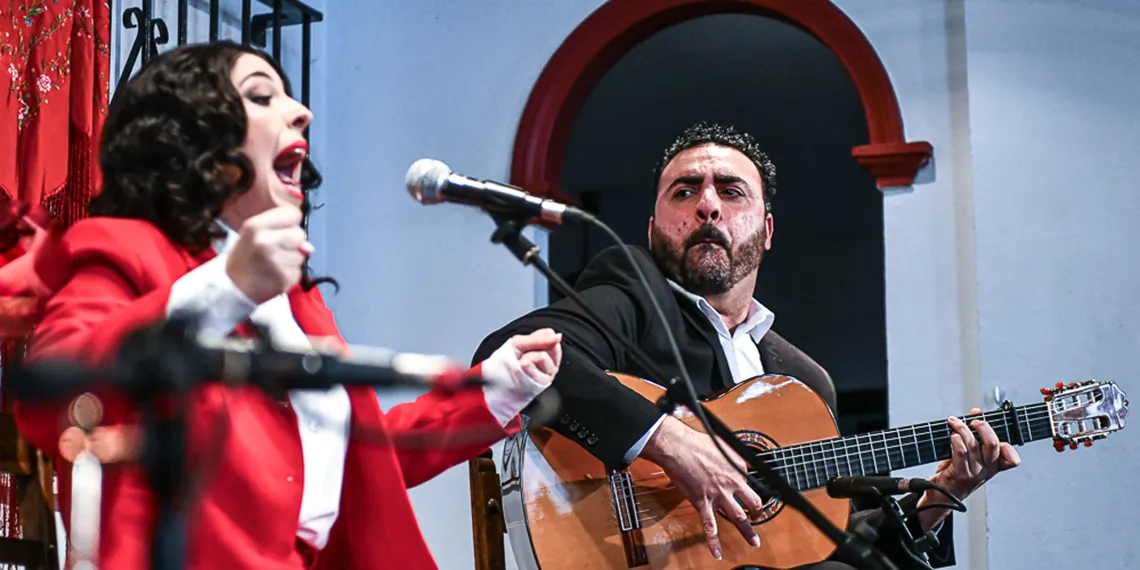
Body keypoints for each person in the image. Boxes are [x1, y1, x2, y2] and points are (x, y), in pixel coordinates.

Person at [13, 41, 563, 570]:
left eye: (290, 97)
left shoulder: (300, 301)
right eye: (261, 96)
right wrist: (227, 286)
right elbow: (51, 398)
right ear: (190, 138)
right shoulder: (125, 248)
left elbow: (362, 461)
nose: (301, 112)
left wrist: (495, 388)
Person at [473, 122, 1021, 569]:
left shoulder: (803, 380)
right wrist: (668, 441)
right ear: (654, 227)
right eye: (685, 191)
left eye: (731, 191)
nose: (707, 206)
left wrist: (937, 498)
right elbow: (506, 355)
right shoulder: (632, 294)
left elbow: (833, 545)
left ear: (766, 229)